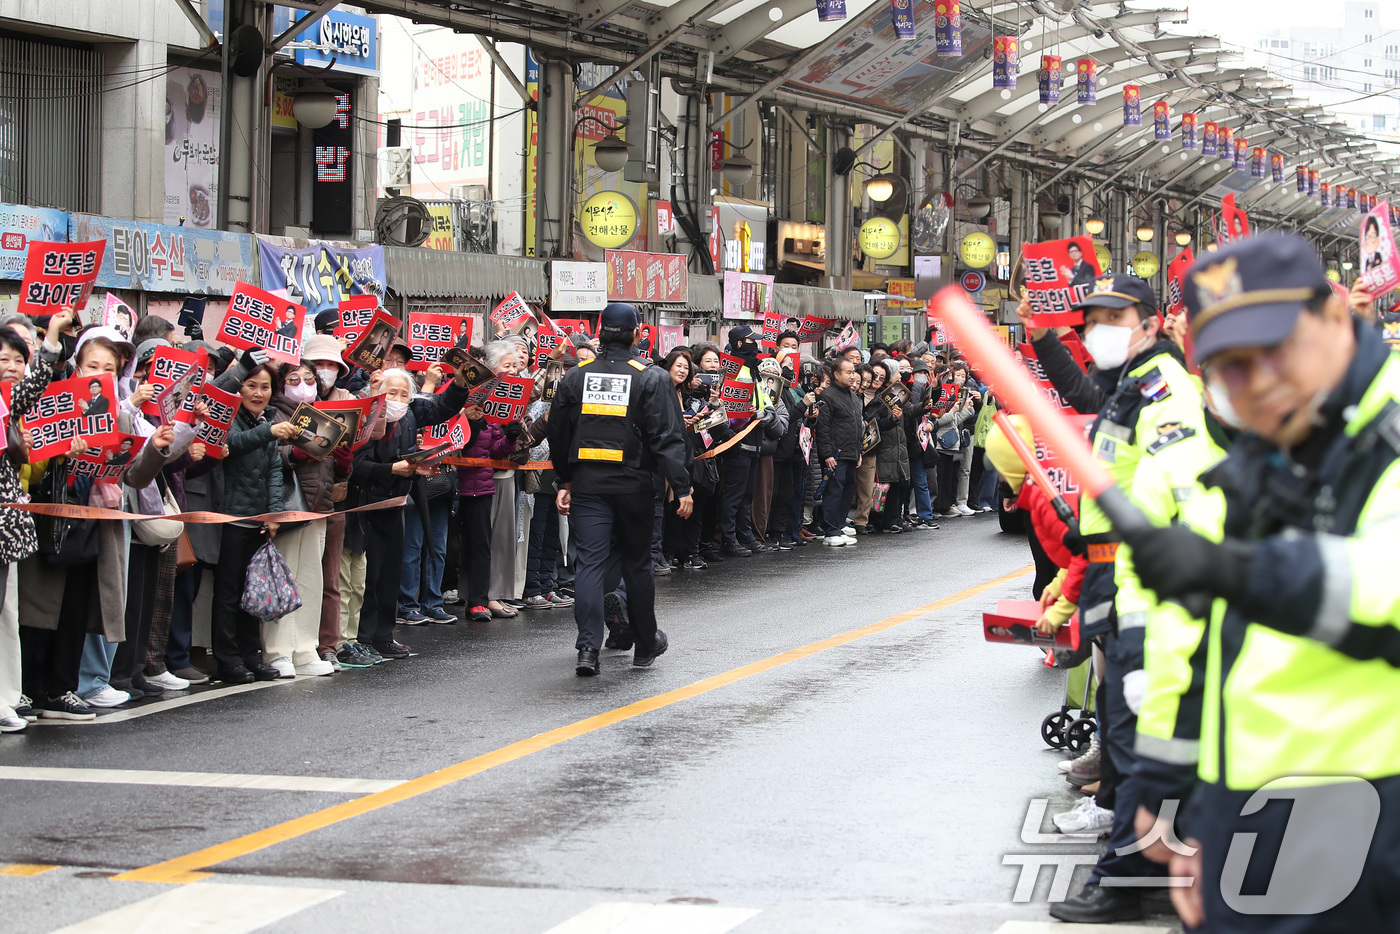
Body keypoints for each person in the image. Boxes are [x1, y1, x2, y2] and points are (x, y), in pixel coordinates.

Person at [1120, 234, 1400, 933]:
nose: (1259, 378)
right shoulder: (1258, 457)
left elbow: (1384, 588)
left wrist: (1232, 570)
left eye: (1275, 345)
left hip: (1367, 820)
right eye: (1230, 366)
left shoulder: (1385, 433)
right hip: (1247, 812)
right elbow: (1202, 645)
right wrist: (1174, 797)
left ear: (1335, 319)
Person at [1018, 273, 1206, 924]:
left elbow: (1181, 489)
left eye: (1114, 316)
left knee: (1133, 730)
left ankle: (1130, 871)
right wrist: (1042, 338)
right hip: (1110, 569)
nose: (1099, 326)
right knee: (1119, 718)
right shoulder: (1133, 382)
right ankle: (1139, 855)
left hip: (1139, 577)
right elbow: (1081, 394)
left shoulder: (1163, 388)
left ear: (1152, 322)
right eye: (1092, 316)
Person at [546, 302, 692, 676]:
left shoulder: (576, 376)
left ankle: (587, 650)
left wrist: (565, 479)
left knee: (590, 565)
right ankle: (645, 644)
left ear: (599, 332)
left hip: (588, 486)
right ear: (637, 334)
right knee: (638, 565)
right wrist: (682, 486)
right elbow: (667, 437)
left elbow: (558, 433)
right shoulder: (651, 377)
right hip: (634, 486)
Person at [348, 365, 470, 663]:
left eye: (404, 394)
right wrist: (392, 469)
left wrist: (418, 466)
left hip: (397, 503)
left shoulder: (408, 418)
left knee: (392, 573)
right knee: (369, 576)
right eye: (392, 393)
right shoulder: (367, 417)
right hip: (366, 507)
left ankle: (384, 635)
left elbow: (441, 410)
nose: (398, 399)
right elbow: (357, 466)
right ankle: (363, 637)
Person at [210, 363, 301, 684]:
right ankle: (228, 659)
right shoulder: (229, 418)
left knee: (253, 593)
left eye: (264, 387)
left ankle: (252, 655)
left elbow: (275, 470)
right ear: (239, 387)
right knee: (228, 594)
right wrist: (269, 431)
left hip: (260, 521)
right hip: (232, 519)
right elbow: (231, 445)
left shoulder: (268, 421)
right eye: (251, 385)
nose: (258, 393)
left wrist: (274, 514)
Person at [815, 355, 862, 547]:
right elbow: (823, 428)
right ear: (836, 374)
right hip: (835, 454)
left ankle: (839, 526)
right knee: (834, 491)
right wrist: (827, 454)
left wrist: (859, 452)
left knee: (847, 491)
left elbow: (857, 426)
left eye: (853, 372)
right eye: (848, 372)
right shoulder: (828, 396)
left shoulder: (853, 396)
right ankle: (830, 531)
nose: (852, 376)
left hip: (852, 452)